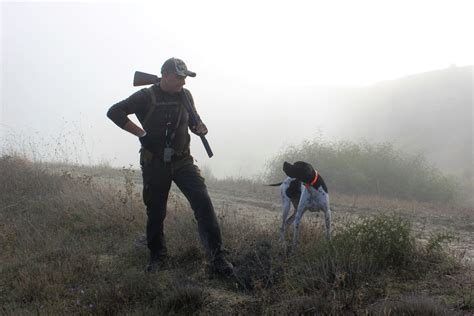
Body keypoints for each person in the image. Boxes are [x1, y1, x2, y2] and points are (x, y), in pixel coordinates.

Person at [107, 57, 233, 276]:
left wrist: (199, 127)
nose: (183, 82)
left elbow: (193, 121)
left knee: (203, 203)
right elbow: (114, 112)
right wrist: (141, 134)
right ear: (164, 75)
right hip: (155, 162)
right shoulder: (146, 96)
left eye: (185, 77)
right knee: (156, 212)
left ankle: (217, 258)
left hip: (183, 160)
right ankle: (158, 257)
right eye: (178, 77)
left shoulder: (185, 95)